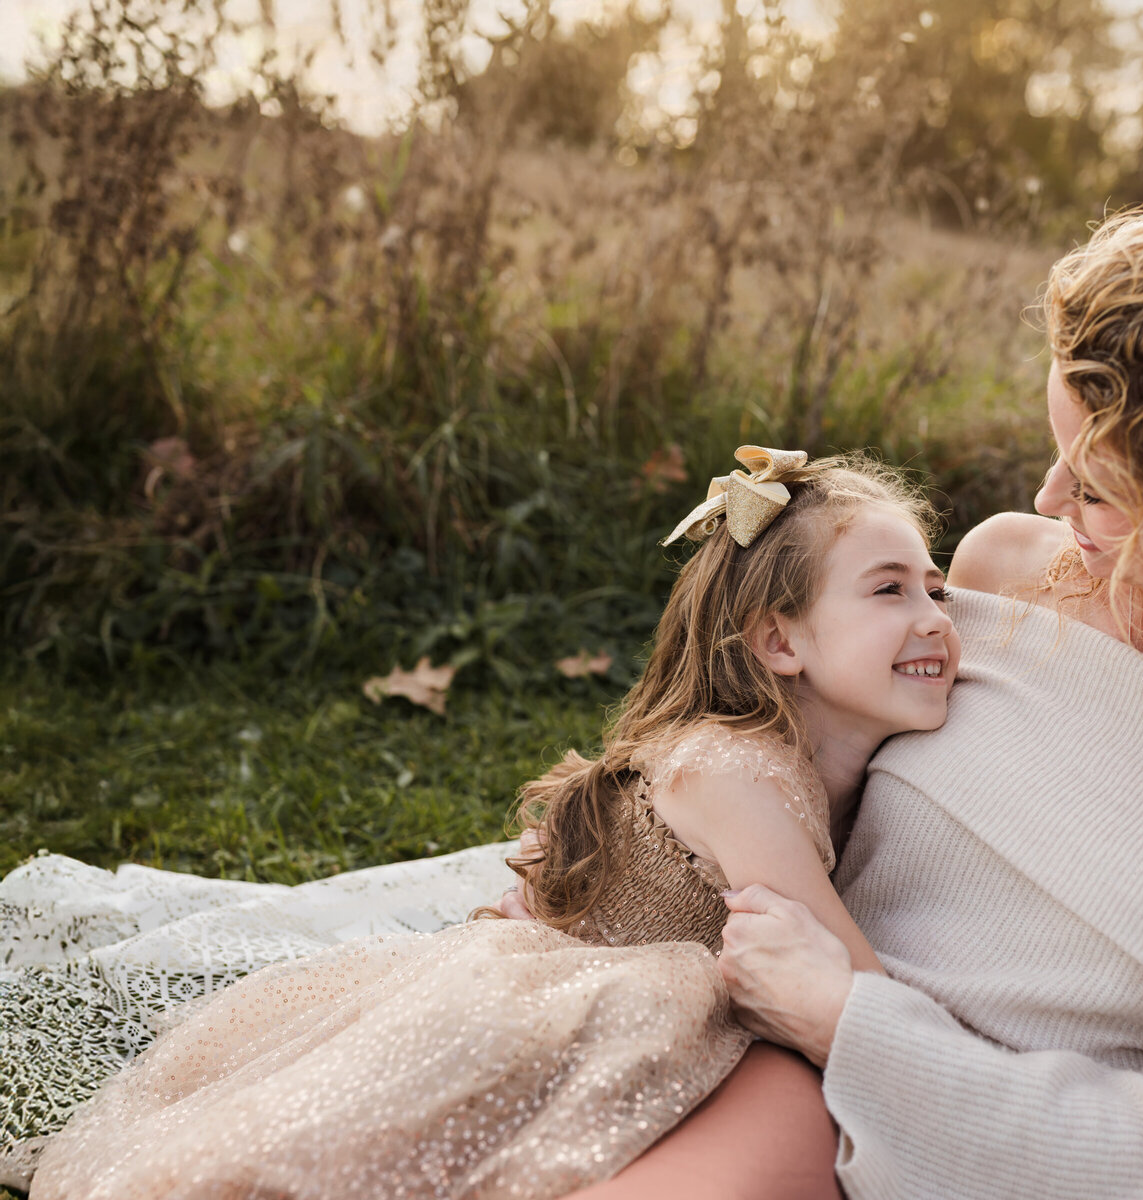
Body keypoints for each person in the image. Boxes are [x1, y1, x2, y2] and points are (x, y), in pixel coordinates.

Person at [580, 186, 1143, 1200]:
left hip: (979, 1144)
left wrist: (853, 1025)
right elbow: (782, 767)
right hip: (729, 1023)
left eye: (1099, 485)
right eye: (1057, 449)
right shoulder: (1005, 571)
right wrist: (614, 870)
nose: (1047, 499)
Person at [27, 447, 961, 1200]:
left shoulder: (819, 762)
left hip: (625, 1003)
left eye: (937, 588)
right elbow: (853, 989)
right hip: (583, 1006)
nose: (934, 620)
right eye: (890, 591)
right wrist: (983, 1077)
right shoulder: (739, 774)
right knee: (374, 1151)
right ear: (778, 641)